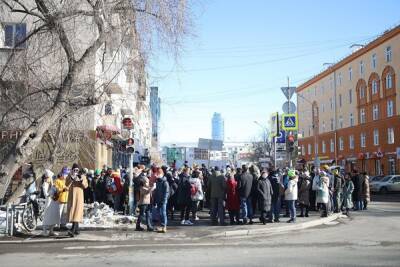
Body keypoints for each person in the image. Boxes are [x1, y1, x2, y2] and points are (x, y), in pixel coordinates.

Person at [41, 169, 68, 236]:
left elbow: (56, 190)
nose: (51, 179)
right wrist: (51, 193)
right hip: (49, 202)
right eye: (50, 177)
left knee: (54, 216)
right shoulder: (45, 184)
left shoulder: (52, 184)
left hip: (54, 202)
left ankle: (51, 230)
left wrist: (58, 190)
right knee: (47, 216)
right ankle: (44, 231)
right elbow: (46, 194)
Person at [66, 163, 88, 237]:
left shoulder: (82, 176)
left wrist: (81, 180)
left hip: (79, 197)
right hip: (72, 197)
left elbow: (86, 186)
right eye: (74, 169)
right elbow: (66, 184)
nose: (75, 171)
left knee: (77, 212)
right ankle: (76, 229)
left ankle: (72, 230)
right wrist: (71, 178)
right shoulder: (69, 176)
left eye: (77, 170)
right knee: (73, 212)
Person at [153, 167, 170, 233]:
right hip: (158, 200)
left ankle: (164, 226)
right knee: (159, 213)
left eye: (159, 173)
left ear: (162, 174)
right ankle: (161, 226)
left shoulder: (165, 182)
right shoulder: (158, 181)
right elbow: (156, 191)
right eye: (157, 173)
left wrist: (164, 200)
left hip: (163, 200)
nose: (157, 174)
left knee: (163, 213)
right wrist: (155, 200)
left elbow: (166, 192)